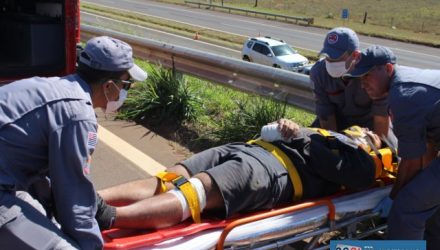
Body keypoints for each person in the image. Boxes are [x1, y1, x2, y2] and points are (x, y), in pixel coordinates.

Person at [95, 119, 393, 230]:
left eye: (371, 134)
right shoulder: (328, 133)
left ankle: (109, 217)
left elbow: (336, 171)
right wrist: (285, 127)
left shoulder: (363, 162)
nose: (364, 130)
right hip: (250, 149)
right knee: (169, 178)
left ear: (376, 148)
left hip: (270, 172)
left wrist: (300, 137)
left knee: (193, 192)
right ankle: (91, 199)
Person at [0, 36, 148, 249]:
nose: (126, 91)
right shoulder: (78, 115)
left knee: (43, 216)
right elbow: (73, 197)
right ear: (109, 86)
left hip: (7, 177)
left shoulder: (54, 86)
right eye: (126, 84)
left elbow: (42, 173)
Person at [344, 45, 440, 249]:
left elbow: (412, 162)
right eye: (360, 78)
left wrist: (394, 197)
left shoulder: (404, 95)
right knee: (430, 202)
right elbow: (428, 147)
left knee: (406, 208)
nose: (363, 84)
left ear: (388, 69)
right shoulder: (411, 80)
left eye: (367, 75)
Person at [310, 27, 391, 139]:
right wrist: (333, 146)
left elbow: (381, 119)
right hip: (337, 126)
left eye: (335, 58)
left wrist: (376, 147)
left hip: (369, 130)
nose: (330, 62)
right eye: (327, 57)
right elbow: (326, 117)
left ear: (355, 56)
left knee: (393, 151)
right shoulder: (319, 73)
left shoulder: (372, 73)